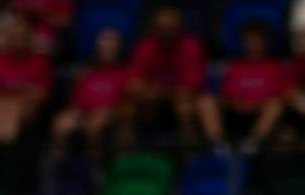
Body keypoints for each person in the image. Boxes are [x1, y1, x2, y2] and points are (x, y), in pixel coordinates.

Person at [127, 2, 218, 144]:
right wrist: (152, 93)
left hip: (182, 100)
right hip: (152, 100)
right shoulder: (145, 47)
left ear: (180, 27)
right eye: (163, 28)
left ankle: (199, 150)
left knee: (187, 106)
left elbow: (191, 89)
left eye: (171, 28)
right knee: (128, 106)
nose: (167, 32)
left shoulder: (192, 46)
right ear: (155, 28)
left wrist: (157, 91)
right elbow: (133, 85)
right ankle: (132, 151)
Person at [51, 27, 133, 156]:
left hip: (110, 115)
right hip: (84, 112)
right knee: (61, 123)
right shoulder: (87, 72)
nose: (106, 52)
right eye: (103, 49)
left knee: (96, 123)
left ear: (118, 50)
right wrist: (75, 110)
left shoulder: (125, 74)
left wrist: (113, 112)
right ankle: (61, 163)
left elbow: (128, 104)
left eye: (110, 49)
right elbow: (76, 98)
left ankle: (94, 164)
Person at [0, 14, 52, 147]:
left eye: (22, 38)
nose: (18, 42)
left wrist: (15, 95)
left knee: (10, 110)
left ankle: (6, 153)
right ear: (8, 40)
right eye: (14, 38)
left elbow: (42, 93)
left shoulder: (40, 62)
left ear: (29, 39)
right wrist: (16, 91)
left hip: (27, 106)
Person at [217, 21, 290, 146]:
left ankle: (252, 144)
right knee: (205, 102)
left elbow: (282, 96)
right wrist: (237, 104)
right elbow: (225, 96)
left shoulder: (275, 68)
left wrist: (255, 104)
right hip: (235, 112)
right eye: (248, 41)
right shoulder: (235, 67)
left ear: (265, 43)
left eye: (256, 41)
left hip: (261, 112)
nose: (252, 45)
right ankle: (217, 145)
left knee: (275, 106)